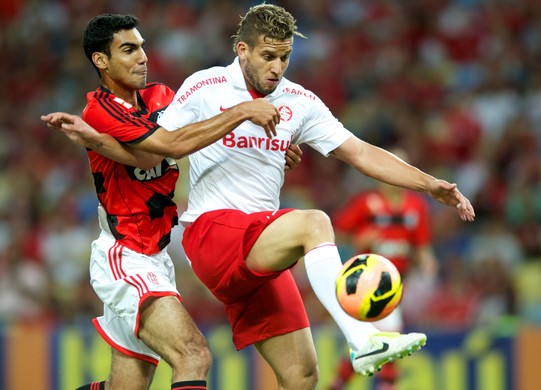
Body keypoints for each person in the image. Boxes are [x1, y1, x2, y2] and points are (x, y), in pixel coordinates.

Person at [45, 5, 475, 389]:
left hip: (258, 250)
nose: (277, 67)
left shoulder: (300, 101)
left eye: (285, 57)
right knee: (314, 223)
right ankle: (362, 337)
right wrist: (97, 141)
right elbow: (160, 145)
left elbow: (359, 151)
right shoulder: (205, 87)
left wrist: (429, 184)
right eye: (268, 56)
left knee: (302, 375)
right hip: (212, 232)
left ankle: (359, 342)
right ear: (242, 49)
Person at [41, 13, 302, 390]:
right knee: (193, 354)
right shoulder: (99, 109)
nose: (142, 57)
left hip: (158, 256)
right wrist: (243, 110)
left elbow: (194, 139)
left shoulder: (162, 97)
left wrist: (275, 148)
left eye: (143, 47)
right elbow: (171, 145)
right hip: (124, 254)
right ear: (101, 61)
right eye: (128, 49)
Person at [327, 148, 439, 390]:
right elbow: (336, 232)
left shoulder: (416, 206)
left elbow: (421, 244)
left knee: (371, 342)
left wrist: (427, 260)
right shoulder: (366, 203)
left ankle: (335, 385)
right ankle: (387, 385)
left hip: (398, 282)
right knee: (390, 335)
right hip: (365, 284)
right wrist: (359, 238)